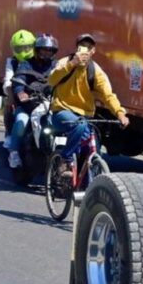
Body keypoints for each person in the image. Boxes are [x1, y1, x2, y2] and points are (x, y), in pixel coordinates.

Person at [48, 33, 130, 177]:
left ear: (93, 51)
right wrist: (72, 63)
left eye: (89, 47)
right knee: (79, 125)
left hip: (85, 116)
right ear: (77, 48)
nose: (85, 50)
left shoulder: (95, 70)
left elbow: (108, 95)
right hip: (62, 112)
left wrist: (120, 113)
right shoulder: (64, 63)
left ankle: (90, 189)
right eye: (82, 46)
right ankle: (65, 160)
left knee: (94, 150)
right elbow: (51, 80)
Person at [7, 34, 58, 168]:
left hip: (49, 105)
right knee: (21, 122)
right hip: (29, 105)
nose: (46, 53)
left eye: (49, 50)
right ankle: (14, 153)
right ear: (37, 50)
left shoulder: (56, 66)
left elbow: (64, 81)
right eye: (43, 50)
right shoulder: (26, 64)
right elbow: (19, 80)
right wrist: (20, 92)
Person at [3, 29, 36, 150]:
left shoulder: (41, 61)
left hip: (39, 97)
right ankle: (10, 138)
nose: (23, 51)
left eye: (27, 48)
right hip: (20, 96)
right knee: (19, 117)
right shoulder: (12, 61)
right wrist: (11, 92)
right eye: (19, 48)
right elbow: (8, 79)